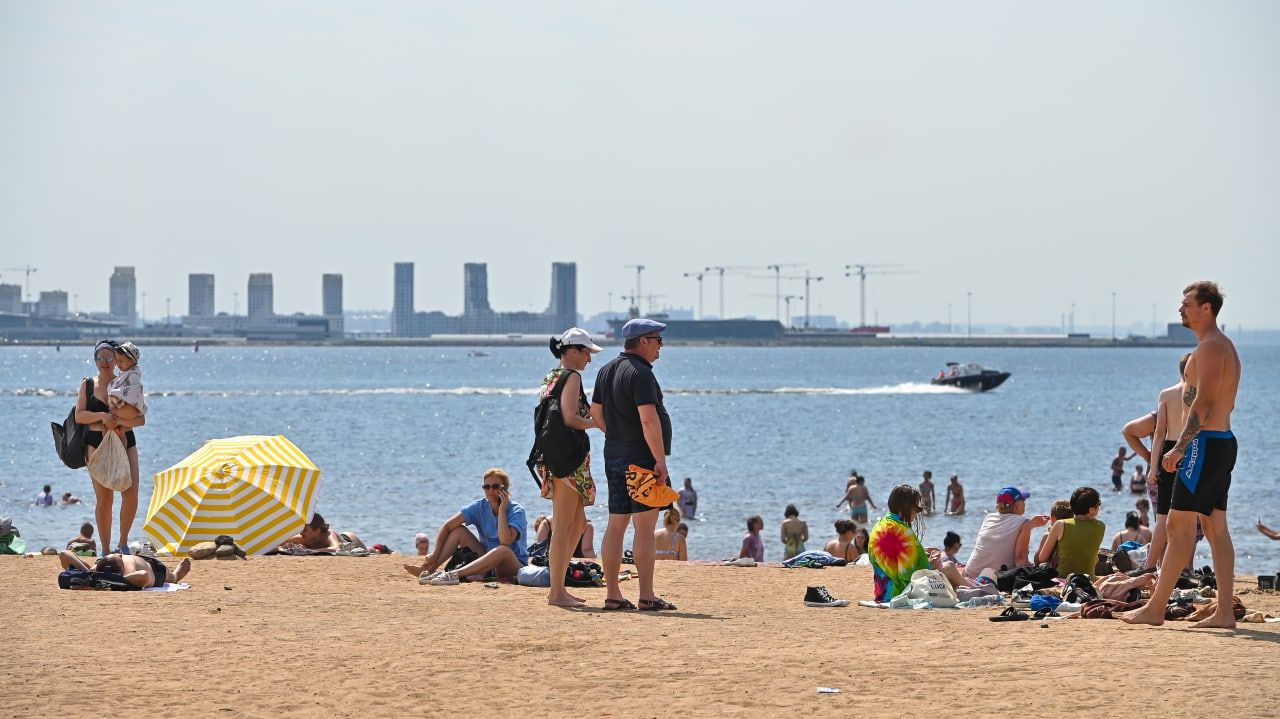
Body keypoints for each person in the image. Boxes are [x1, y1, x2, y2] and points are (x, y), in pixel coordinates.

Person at [1122, 281, 1242, 628]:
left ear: (1207, 308)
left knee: (1177, 524)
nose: (1180, 309)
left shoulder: (1209, 348)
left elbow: (1202, 403)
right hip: (1221, 440)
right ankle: (1222, 612)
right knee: (1216, 526)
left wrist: (1179, 447)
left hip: (1204, 443)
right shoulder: (1223, 346)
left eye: (1187, 304)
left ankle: (1155, 608)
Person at [590, 317, 677, 611]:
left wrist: (616, 435)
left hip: (613, 455)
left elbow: (596, 414)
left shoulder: (606, 370)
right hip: (641, 459)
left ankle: (613, 594)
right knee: (644, 527)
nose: (661, 347)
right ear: (643, 341)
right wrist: (659, 461)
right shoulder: (641, 374)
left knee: (616, 525)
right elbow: (648, 419)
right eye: (657, 341)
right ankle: (647, 595)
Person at [534, 327, 603, 607]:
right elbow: (570, 417)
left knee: (577, 522)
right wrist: (598, 424)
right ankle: (556, 592)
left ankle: (559, 585)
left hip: (554, 456)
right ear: (573, 351)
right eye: (587, 352)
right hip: (568, 459)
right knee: (563, 525)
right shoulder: (572, 377)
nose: (589, 359)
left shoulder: (551, 376)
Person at [75, 340, 146, 555]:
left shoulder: (127, 382)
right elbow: (80, 416)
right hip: (96, 443)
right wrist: (103, 417)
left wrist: (120, 423)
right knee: (105, 498)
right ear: (95, 360)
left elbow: (140, 419)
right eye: (100, 358)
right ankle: (105, 549)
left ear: (116, 360)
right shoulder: (88, 384)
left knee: (131, 493)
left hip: (125, 441)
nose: (105, 362)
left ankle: (122, 543)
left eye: (109, 357)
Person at [414, 468, 529, 586]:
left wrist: (502, 510)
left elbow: (505, 540)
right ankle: (430, 570)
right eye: (486, 487)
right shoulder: (480, 506)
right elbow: (447, 526)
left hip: (513, 566)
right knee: (458, 531)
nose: (490, 490)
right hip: (486, 562)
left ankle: (453, 574)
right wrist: (435, 553)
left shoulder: (517, 511)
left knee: (503, 550)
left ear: (504, 489)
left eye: (495, 486)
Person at [1143, 352, 1193, 570]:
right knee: (1191, 515)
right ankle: (1183, 566)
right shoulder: (1198, 394)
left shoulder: (1166, 394)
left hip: (1166, 450)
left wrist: (1153, 467)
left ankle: (1149, 564)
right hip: (1190, 448)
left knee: (1163, 515)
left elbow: (1159, 433)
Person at [963, 486, 1049, 580]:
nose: (1025, 503)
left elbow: (1003, 533)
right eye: (1023, 500)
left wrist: (1030, 525)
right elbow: (1020, 558)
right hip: (995, 579)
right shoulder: (1023, 523)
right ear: (1017, 505)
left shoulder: (989, 518)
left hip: (970, 574)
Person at [868, 484, 929, 602]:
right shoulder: (903, 532)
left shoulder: (879, 527)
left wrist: (918, 553)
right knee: (948, 568)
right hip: (898, 594)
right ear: (906, 506)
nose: (917, 513)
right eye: (917, 508)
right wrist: (932, 563)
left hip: (882, 593)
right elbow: (909, 574)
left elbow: (894, 558)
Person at [1036, 487, 1105, 577]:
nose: (1099, 507)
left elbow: (1042, 558)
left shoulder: (1060, 524)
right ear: (1091, 510)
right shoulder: (1100, 526)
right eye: (1098, 504)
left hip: (1062, 579)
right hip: (1088, 580)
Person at [58, 550, 191, 589]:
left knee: (171, 578)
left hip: (146, 564)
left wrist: (91, 574)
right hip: (148, 566)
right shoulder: (96, 570)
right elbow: (64, 554)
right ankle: (175, 575)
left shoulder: (93, 573)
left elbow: (144, 575)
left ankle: (175, 575)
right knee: (170, 578)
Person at [106, 341, 148, 441]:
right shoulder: (127, 373)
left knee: (119, 428)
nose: (118, 364)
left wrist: (118, 395)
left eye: (121, 361)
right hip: (128, 408)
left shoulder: (133, 374)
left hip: (130, 407)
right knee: (121, 431)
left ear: (132, 361)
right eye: (117, 360)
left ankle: (122, 450)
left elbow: (135, 390)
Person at [274, 513, 365, 554]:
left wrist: (311, 551)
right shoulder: (302, 538)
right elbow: (278, 543)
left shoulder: (329, 534)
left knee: (371, 551)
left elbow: (335, 548)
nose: (301, 533)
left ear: (317, 531)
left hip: (349, 538)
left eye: (305, 530)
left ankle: (378, 548)